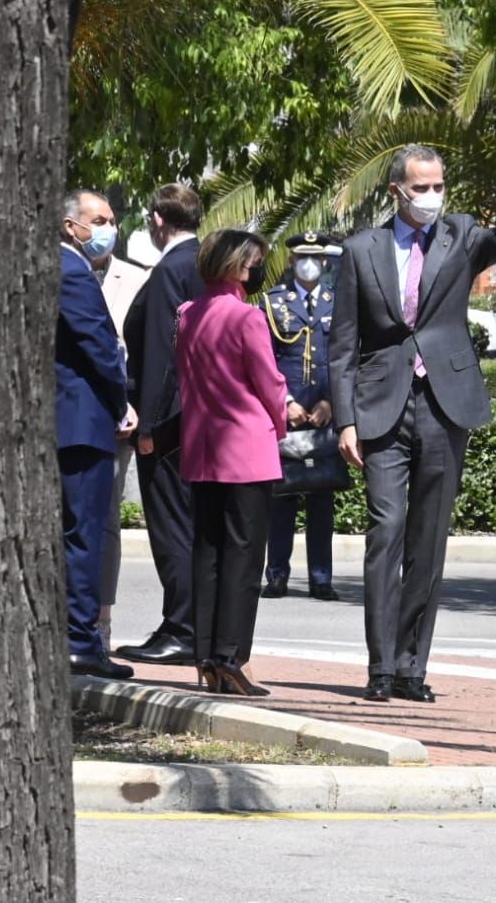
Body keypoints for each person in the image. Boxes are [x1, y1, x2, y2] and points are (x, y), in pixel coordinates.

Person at [330, 115, 496, 704]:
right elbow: (344, 343)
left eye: (438, 185)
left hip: (445, 406)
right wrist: (346, 418)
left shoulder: (462, 236)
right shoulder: (361, 250)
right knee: (387, 532)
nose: (432, 196)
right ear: (396, 190)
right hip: (381, 407)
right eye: (421, 187)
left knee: (428, 541)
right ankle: (379, 667)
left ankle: (410, 669)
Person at [176, 229, 288, 696]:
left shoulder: (186, 313)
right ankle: (231, 656)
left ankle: (206, 655)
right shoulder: (247, 317)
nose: (258, 270)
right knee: (244, 559)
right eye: (254, 262)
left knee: (208, 554)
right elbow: (268, 382)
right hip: (247, 450)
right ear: (240, 266)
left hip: (202, 447)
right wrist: (282, 420)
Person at [116, 183, 205, 666]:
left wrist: (148, 424)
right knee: (191, 525)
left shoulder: (172, 267)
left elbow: (164, 353)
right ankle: (195, 624)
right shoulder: (203, 262)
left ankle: (182, 626)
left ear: (156, 219)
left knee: (172, 526)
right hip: (198, 416)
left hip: (170, 422)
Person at [57, 190, 135, 679]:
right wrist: (122, 399)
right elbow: (100, 348)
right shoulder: (72, 272)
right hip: (82, 422)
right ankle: (81, 641)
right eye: (99, 219)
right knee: (85, 536)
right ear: (71, 226)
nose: (109, 228)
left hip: (70, 419)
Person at [78, 185, 148, 652]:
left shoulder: (137, 279)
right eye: (97, 221)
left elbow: (143, 350)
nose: (107, 229)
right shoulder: (57, 270)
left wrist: (133, 405)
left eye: (111, 221)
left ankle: (100, 621)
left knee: (104, 523)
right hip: (68, 413)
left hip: (116, 418)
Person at [263, 231, 341, 601]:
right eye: (301, 257)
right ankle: (276, 574)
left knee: (322, 497)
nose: (308, 262)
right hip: (287, 412)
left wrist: (331, 402)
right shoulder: (273, 303)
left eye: (315, 256)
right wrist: (286, 402)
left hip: (326, 413)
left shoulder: (338, 303)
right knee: (281, 498)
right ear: (292, 261)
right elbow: (265, 360)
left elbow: (346, 359)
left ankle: (320, 578)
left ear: (324, 262)